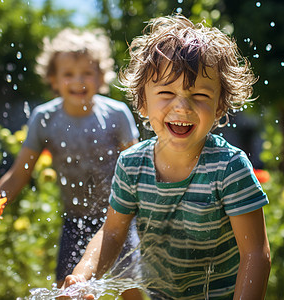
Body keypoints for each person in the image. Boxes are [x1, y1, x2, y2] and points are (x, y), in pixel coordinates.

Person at [61, 14, 271, 300]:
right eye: (166, 92)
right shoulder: (132, 165)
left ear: (220, 105)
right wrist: (83, 275)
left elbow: (255, 254)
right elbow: (111, 234)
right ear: (143, 102)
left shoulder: (229, 167)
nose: (182, 106)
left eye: (199, 95)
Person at [0, 28, 144, 299]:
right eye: (68, 74)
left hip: (118, 218)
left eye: (87, 73)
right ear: (53, 79)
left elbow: (137, 168)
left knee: (128, 286)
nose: (78, 80)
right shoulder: (45, 118)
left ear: (101, 77)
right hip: (74, 221)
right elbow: (18, 175)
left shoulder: (116, 114)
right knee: (68, 288)